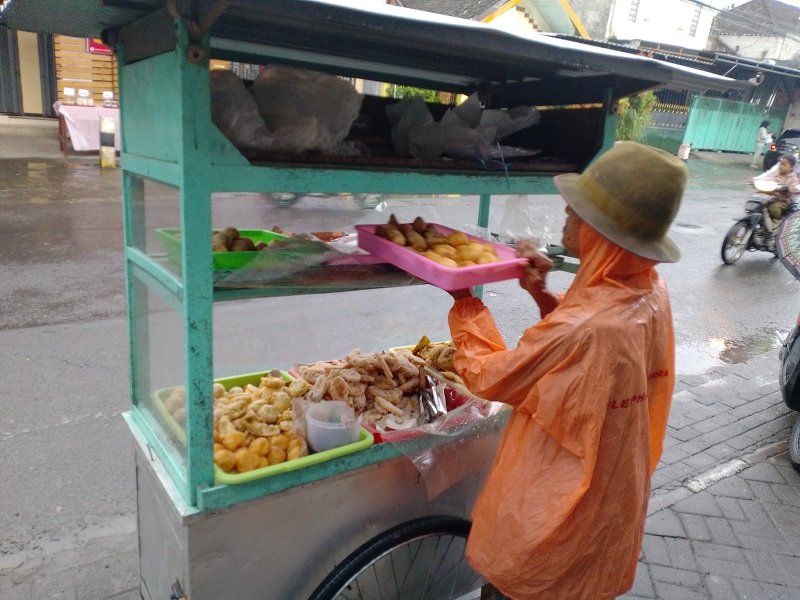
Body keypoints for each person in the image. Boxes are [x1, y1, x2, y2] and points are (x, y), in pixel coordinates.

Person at [447, 141, 686, 600]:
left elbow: (491, 376)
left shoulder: (587, 327)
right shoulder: (649, 291)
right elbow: (591, 353)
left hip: (555, 507)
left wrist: (464, 302)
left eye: (578, 211)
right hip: (611, 498)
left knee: (528, 585)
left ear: (603, 232)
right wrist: (541, 292)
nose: (566, 214)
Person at [753, 154, 800, 245]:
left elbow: (794, 188)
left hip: (783, 200)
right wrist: (756, 180)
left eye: (783, 165)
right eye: (780, 164)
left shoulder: (793, 178)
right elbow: (768, 175)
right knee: (756, 203)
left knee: (774, 209)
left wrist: (789, 189)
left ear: (791, 168)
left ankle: (774, 227)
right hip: (770, 197)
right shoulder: (778, 173)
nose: (781, 166)